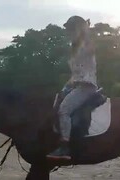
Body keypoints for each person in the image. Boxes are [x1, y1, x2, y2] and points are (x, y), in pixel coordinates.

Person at [47, 16, 97, 160]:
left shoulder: (87, 45)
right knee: (55, 104)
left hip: (86, 86)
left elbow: (89, 49)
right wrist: (64, 89)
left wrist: (84, 29)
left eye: (70, 29)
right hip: (76, 85)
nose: (68, 33)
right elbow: (74, 75)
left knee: (64, 110)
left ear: (77, 29)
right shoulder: (74, 49)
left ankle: (65, 147)